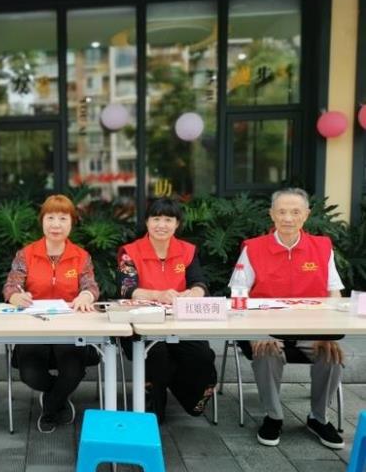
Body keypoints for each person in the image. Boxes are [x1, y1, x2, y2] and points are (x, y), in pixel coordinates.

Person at [229, 187, 345, 449]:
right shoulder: (253, 248)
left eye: (295, 212)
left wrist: (328, 334)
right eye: (281, 212)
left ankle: (318, 418)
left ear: (306, 215)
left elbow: (334, 293)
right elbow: (238, 294)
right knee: (266, 353)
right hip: (264, 329)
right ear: (272, 214)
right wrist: (257, 334)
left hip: (313, 330)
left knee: (331, 355)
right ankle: (273, 416)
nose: (288, 218)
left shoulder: (322, 247)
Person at [3, 194, 99, 433]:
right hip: (34, 327)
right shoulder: (26, 254)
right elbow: (11, 286)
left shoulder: (81, 256)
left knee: (74, 370)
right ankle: (59, 395)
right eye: (51, 218)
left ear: (72, 223)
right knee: (30, 374)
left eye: (63, 218)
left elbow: (90, 286)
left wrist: (86, 296)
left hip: (70, 329)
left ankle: (50, 408)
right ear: (42, 221)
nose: (56, 224)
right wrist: (16, 297)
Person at [117, 197, 217, 423]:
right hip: (141, 325)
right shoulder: (130, 252)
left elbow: (199, 283)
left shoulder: (187, 251)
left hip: (179, 322)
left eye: (168, 219)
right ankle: (155, 407)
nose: (161, 225)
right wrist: (157, 295)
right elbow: (127, 289)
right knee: (157, 353)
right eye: (156, 219)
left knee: (202, 355)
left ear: (177, 224)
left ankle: (189, 399)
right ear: (147, 222)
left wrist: (193, 293)